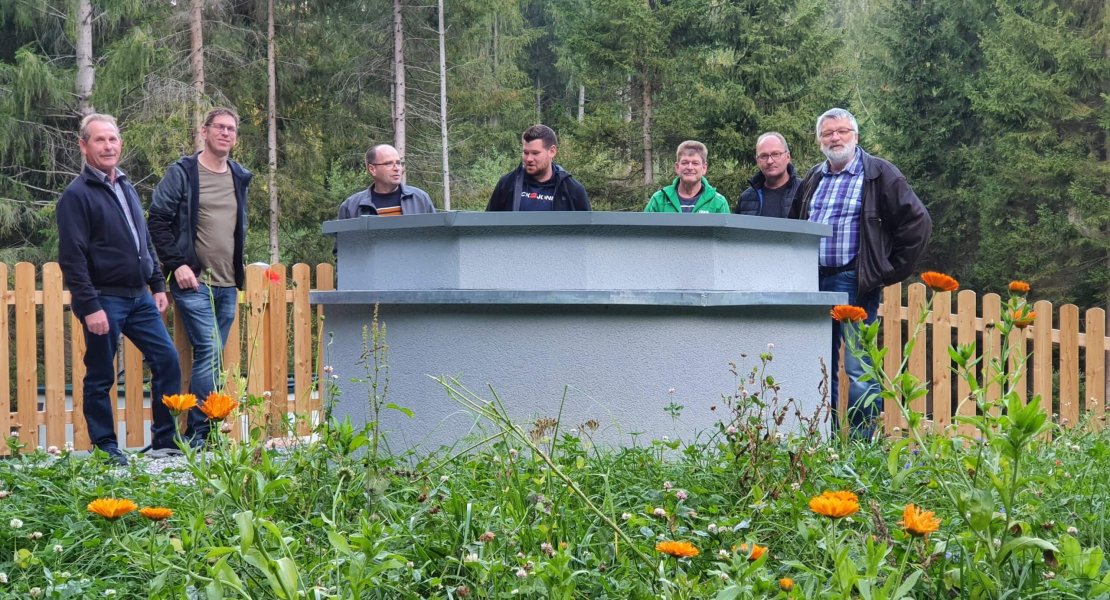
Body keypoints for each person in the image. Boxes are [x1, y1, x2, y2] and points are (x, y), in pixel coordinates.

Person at [789, 108, 932, 439]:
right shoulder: (813, 178)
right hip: (814, 282)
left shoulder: (880, 174)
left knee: (858, 368)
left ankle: (862, 444)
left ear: (855, 135)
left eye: (841, 131)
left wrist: (887, 270)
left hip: (854, 281)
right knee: (818, 365)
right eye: (828, 133)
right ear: (819, 140)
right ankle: (823, 440)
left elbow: (918, 223)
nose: (835, 138)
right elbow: (796, 226)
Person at [57, 114, 181, 465]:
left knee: (167, 360)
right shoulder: (76, 196)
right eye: (99, 140)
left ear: (120, 144)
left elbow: (143, 241)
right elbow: (72, 258)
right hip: (104, 299)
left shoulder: (126, 186)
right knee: (100, 374)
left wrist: (157, 283)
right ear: (84, 146)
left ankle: (166, 441)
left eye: (113, 139)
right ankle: (106, 447)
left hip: (139, 296)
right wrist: (90, 305)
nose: (108, 146)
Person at [149, 107, 251, 448]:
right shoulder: (183, 173)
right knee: (209, 349)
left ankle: (202, 432)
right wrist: (177, 264)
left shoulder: (238, 176)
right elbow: (158, 221)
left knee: (216, 355)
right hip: (193, 281)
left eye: (231, 129)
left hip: (227, 283)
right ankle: (201, 433)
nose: (225, 133)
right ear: (204, 132)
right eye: (219, 127)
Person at [486, 125, 590, 211]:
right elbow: (489, 226)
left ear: (552, 151)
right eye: (526, 153)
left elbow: (586, 232)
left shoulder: (572, 190)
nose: (529, 159)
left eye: (535, 153)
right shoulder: (507, 184)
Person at [337, 144, 435, 218]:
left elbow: (436, 239)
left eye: (398, 163)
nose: (396, 168)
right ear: (372, 169)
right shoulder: (350, 207)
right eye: (388, 164)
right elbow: (344, 244)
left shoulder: (420, 199)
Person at [644, 140, 730, 213]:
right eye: (685, 163)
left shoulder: (718, 202)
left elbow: (726, 233)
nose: (689, 167)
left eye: (695, 163)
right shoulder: (659, 199)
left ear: (704, 168)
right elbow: (644, 231)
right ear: (677, 167)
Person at [734, 132, 800, 218]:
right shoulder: (746, 199)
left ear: (788, 157)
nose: (769, 161)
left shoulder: (804, 192)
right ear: (757, 161)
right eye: (763, 156)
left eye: (776, 154)